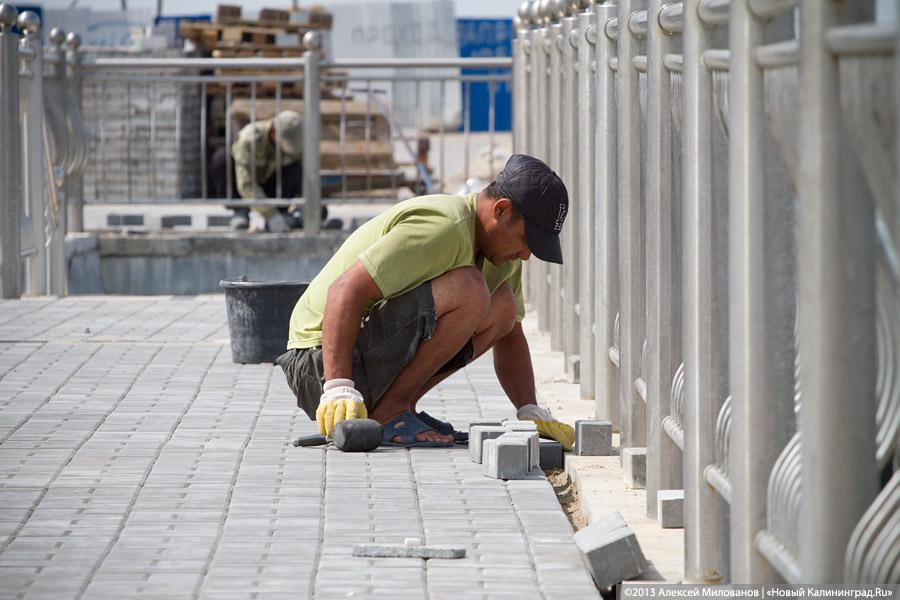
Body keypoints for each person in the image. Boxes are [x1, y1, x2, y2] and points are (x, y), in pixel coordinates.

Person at [276, 154, 576, 449]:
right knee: (469, 289)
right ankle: (390, 412)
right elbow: (344, 291)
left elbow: (510, 334)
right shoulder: (443, 225)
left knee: (503, 308)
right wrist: (338, 387)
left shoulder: (503, 255)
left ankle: (398, 408)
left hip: (356, 365)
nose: (526, 254)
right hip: (317, 366)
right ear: (501, 209)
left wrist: (529, 409)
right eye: (527, 240)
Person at [208, 110, 304, 232]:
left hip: (272, 186)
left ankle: (281, 212)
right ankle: (240, 210)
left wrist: (311, 208)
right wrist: (270, 214)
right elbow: (246, 183)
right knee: (221, 160)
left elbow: (307, 177)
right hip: (247, 185)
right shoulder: (249, 138)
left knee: (295, 168)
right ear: (274, 132)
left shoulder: (299, 141)